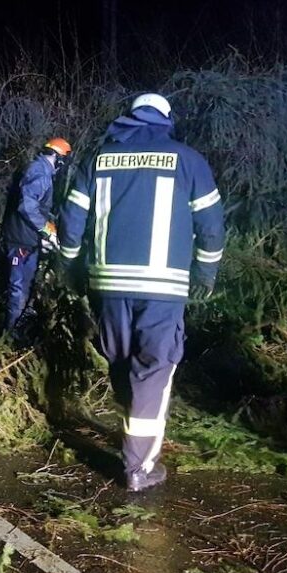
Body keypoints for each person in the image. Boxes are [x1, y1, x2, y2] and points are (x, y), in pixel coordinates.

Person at [58, 94, 224, 492]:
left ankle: (134, 442)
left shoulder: (99, 158)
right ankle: (139, 468)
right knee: (153, 368)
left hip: (109, 284)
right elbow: (212, 226)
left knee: (121, 362)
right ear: (166, 120)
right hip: (162, 288)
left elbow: (71, 219)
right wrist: (205, 270)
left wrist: (71, 267)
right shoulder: (187, 159)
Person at [1, 137, 73, 333]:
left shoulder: (41, 171)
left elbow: (38, 207)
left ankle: (20, 328)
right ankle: (10, 333)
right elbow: (27, 206)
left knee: (27, 285)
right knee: (18, 288)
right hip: (20, 240)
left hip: (27, 240)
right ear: (59, 159)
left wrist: (50, 225)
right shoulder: (40, 173)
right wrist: (45, 229)